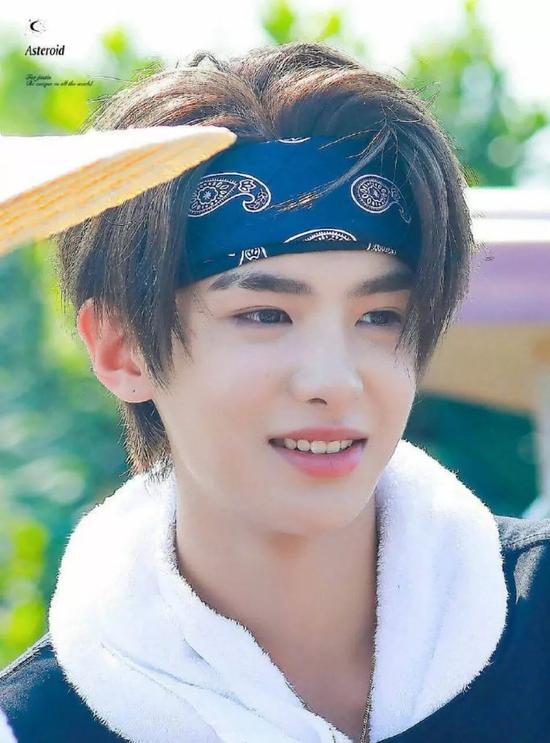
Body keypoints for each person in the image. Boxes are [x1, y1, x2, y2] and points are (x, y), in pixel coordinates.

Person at [1, 40, 549, 743]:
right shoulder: (39, 725)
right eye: (265, 315)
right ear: (120, 347)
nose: (334, 381)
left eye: (379, 317)